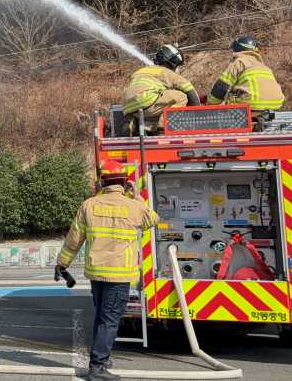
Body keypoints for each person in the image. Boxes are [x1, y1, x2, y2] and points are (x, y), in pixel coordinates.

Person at [55, 160, 159, 381]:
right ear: (124, 182)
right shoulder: (134, 207)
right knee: (110, 320)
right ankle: (98, 367)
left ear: (102, 182)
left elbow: (74, 240)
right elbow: (154, 219)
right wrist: (136, 195)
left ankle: (101, 357)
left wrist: (62, 263)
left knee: (102, 316)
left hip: (96, 274)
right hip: (118, 275)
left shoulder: (89, 205)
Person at [123, 44, 200, 134]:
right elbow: (188, 88)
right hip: (147, 100)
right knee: (181, 96)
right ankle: (163, 128)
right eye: (178, 66)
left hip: (129, 107)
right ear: (173, 61)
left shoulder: (140, 71)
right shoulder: (164, 71)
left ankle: (136, 125)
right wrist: (197, 111)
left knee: (161, 104)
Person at [207, 36, 284, 116]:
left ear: (237, 49)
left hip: (252, 104)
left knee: (231, 97)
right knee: (238, 93)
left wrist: (211, 104)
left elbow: (222, 86)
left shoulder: (239, 62)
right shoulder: (263, 66)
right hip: (275, 104)